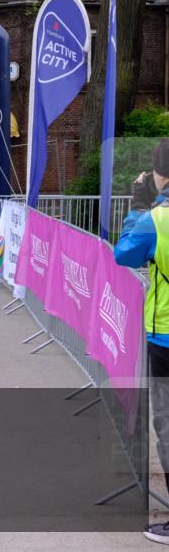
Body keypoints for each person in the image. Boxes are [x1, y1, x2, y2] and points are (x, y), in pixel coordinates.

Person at [112, 139, 169, 546]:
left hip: (165, 335)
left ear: (159, 174)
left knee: (167, 426)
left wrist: (139, 205)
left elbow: (124, 256)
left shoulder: (157, 219)